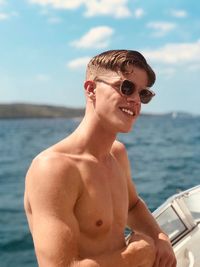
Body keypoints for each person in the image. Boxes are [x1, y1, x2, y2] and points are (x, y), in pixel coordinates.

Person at [24, 49, 177, 267]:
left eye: (143, 94)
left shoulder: (117, 153)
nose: (135, 100)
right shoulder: (54, 168)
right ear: (91, 89)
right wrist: (139, 253)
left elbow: (132, 206)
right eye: (126, 87)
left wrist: (159, 237)